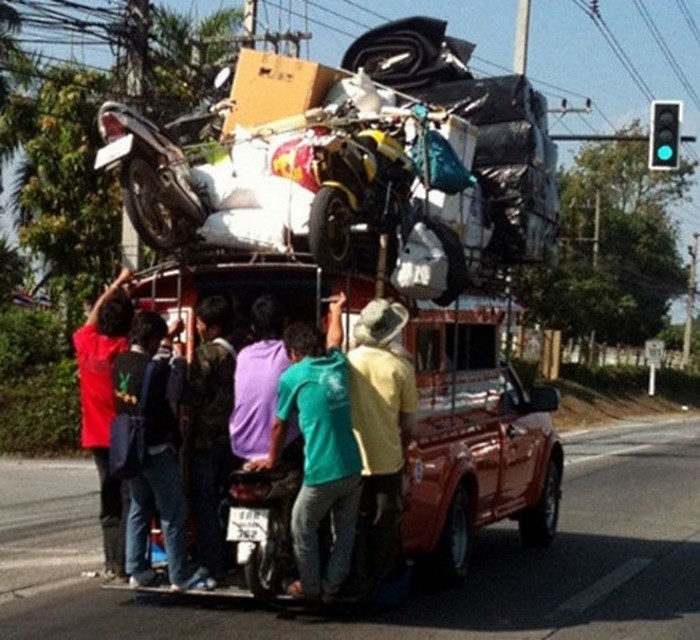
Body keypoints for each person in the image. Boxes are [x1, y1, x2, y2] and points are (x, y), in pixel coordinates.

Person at [247, 293, 362, 602]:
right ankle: (332, 586)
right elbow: (336, 339)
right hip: (352, 466)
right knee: (345, 531)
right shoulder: (337, 364)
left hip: (322, 471)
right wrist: (335, 310)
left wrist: (270, 459)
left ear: (294, 352)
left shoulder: (293, 376)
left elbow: (278, 425)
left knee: (302, 525)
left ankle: (309, 586)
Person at [114, 311, 215, 592]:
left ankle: (137, 569)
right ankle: (180, 574)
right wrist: (180, 362)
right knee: (173, 511)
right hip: (158, 448)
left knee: (139, 507)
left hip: (131, 448)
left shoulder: (120, 362)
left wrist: (167, 340)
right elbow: (175, 391)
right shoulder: (155, 369)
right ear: (150, 339)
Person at [346, 298, 418, 595]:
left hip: (348, 459)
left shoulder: (346, 361)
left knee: (349, 522)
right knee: (382, 525)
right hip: (387, 460)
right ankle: (376, 582)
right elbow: (409, 422)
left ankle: (348, 576)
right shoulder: (401, 368)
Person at [73, 267, 134, 582]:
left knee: (109, 501)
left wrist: (117, 285)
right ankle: (126, 565)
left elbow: (94, 314)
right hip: (123, 439)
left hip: (95, 438)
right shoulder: (123, 351)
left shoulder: (86, 344)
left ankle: (112, 562)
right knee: (128, 500)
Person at [186, 295, 236, 579]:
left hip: (206, 441)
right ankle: (233, 553)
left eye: (201, 323)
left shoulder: (207, 355)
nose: (198, 328)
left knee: (204, 502)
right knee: (231, 499)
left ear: (213, 327)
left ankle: (212, 561)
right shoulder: (241, 350)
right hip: (235, 438)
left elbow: (192, 395)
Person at [229, 294, 301, 465]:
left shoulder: (243, 355)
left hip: (239, 445)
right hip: (282, 447)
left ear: (253, 328)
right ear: (285, 323)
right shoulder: (290, 354)